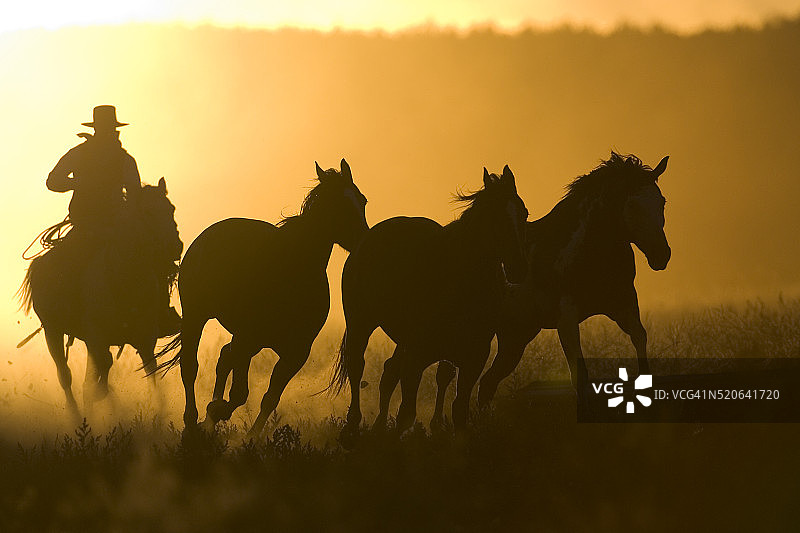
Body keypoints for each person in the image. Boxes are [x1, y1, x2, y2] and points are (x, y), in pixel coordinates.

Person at [46, 105, 180, 335]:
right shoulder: (85, 155)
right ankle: (60, 309)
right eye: (106, 129)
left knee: (156, 260)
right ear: (100, 130)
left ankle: (160, 310)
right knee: (65, 264)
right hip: (87, 225)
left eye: (110, 129)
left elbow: (135, 195)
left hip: (117, 226)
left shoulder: (122, 159)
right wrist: (78, 184)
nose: (110, 133)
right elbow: (53, 181)